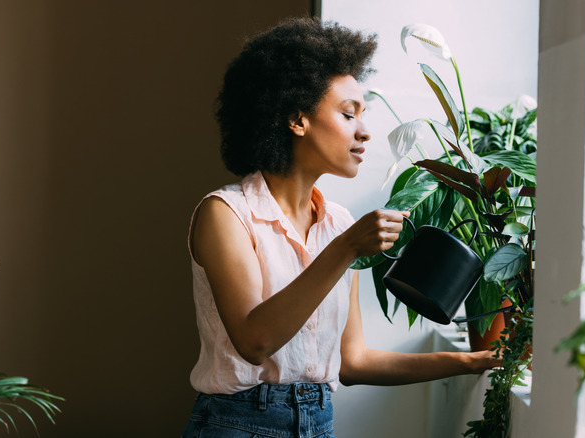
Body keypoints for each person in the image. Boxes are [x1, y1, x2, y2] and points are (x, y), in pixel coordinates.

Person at [182, 17, 499, 438]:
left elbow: (353, 362)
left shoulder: (340, 223)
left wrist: (472, 361)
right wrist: (345, 248)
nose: (365, 132)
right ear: (298, 120)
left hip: (320, 424)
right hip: (237, 425)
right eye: (349, 114)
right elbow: (254, 340)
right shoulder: (225, 214)